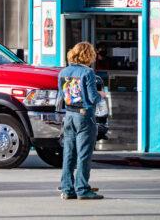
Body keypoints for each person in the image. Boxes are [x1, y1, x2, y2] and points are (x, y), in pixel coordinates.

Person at [57, 42, 104, 200]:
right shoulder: (88, 72)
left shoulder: (63, 72)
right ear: (88, 55)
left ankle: (67, 188)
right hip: (84, 116)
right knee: (84, 154)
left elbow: (61, 96)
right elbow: (92, 97)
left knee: (69, 153)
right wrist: (101, 96)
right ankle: (82, 189)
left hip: (69, 115)